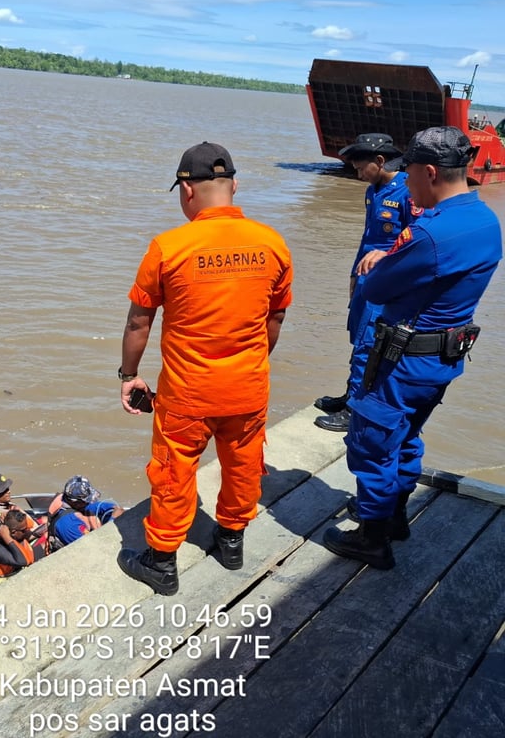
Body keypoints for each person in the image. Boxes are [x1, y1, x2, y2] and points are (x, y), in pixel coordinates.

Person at [116, 141, 293, 595]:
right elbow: (274, 318)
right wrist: (252, 364)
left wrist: (129, 375)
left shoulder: (169, 247)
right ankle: (231, 543)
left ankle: (161, 561)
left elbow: (139, 321)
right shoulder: (272, 244)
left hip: (187, 394)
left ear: (187, 190)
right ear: (234, 185)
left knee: (173, 471)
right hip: (248, 388)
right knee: (243, 465)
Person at [323, 126, 502, 569]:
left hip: (401, 361)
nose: (408, 183)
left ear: (430, 172)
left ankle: (372, 538)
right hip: (442, 359)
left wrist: (381, 260)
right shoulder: (485, 220)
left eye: (412, 174)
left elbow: (377, 288)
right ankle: (396, 518)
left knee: (371, 442)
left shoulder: (430, 233)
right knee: (405, 437)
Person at [314, 133, 422, 432]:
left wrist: (387, 258)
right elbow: (366, 239)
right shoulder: (372, 191)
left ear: (380, 160)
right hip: (365, 278)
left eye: (361, 168)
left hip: (386, 282)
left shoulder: (407, 193)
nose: (358, 174)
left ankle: (356, 410)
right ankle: (351, 393)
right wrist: (354, 274)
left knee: (369, 342)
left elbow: (417, 241)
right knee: (357, 336)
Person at [47, 475, 124, 550]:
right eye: (87, 501)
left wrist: (114, 509)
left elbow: (100, 506)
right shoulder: (68, 525)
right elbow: (97, 547)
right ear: (76, 503)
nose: (89, 502)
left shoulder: (77, 504)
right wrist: (112, 520)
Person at [0, 472, 46, 542]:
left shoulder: (5, 505)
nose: (9, 491)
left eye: (8, 488)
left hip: (26, 529)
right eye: (4, 490)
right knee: (47, 534)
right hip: (19, 540)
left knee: (45, 519)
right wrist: (40, 531)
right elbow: (11, 538)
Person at [0, 510, 45, 578]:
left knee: (47, 538)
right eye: (23, 530)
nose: (27, 531)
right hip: (8, 576)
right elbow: (23, 561)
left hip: (22, 556)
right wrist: (7, 537)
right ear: (13, 532)